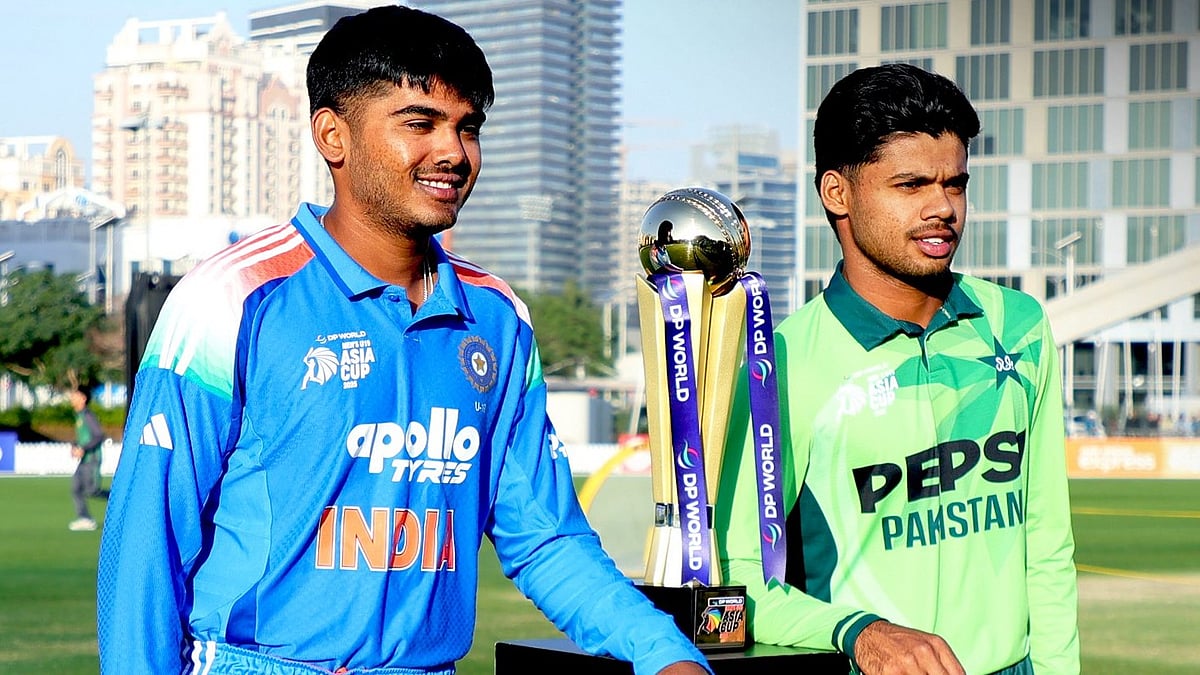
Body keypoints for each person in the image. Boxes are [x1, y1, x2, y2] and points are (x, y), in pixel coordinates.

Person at [97, 7, 709, 675]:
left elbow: (546, 539)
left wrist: (667, 656)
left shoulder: (498, 319)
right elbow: (145, 550)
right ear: (333, 134)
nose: (453, 152)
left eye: (467, 127)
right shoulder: (231, 297)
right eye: (420, 123)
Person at [716, 63, 1079, 675]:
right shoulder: (774, 367)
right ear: (838, 193)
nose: (943, 207)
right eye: (911, 185)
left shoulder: (1018, 325)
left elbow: (1047, 545)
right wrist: (858, 633)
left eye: (956, 184)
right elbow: (733, 586)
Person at [68, 386, 105, 531]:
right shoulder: (79, 415)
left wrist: (83, 449)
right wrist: (75, 446)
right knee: (76, 488)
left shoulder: (87, 415)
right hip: (84, 460)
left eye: (75, 395)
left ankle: (120, 501)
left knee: (92, 490)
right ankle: (85, 518)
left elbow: (98, 435)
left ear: (83, 398)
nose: (72, 397)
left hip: (92, 460)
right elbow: (83, 437)